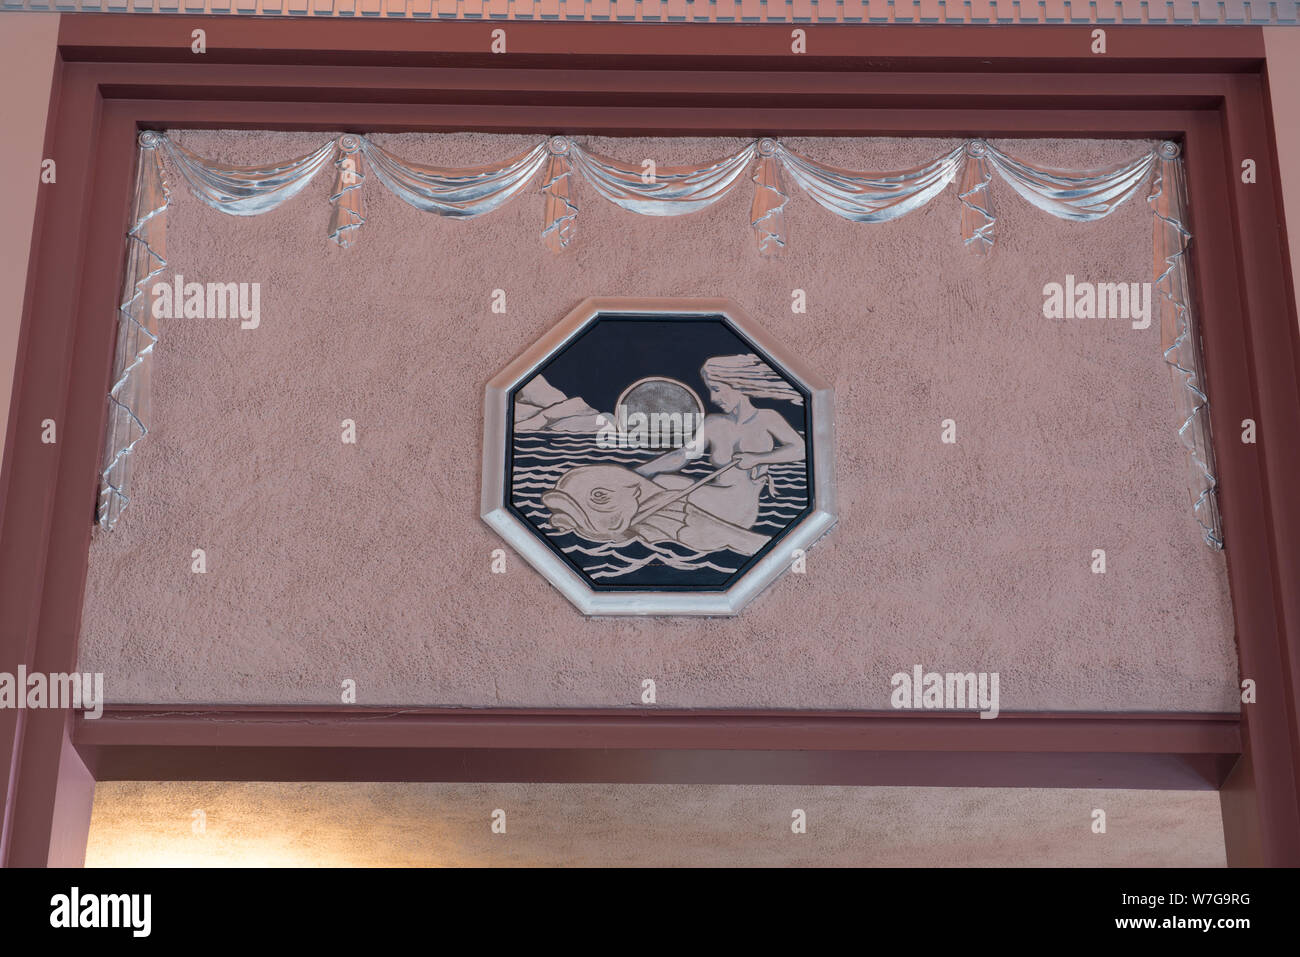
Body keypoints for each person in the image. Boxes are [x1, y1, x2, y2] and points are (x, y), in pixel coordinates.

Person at [634, 354, 805, 530]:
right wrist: (639, 472)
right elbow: (682, 455)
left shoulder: (767, 418)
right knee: (662, 480)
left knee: (665, 485)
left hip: (739, 509)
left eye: (716, 389)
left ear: (737, 384)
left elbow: (800, 450)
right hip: (714, 497)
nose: (712, 398)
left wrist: (757, 458)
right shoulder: (714, 423)